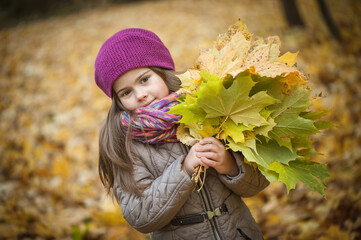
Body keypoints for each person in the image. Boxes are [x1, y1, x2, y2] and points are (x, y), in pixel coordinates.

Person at [94, 28, 269, 240]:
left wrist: (229, 165)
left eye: (144, 79)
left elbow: (258, 183)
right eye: (126, 92)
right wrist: (184, 169)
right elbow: (139, 216)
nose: (141, 95)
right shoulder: (126, 144)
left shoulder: (209, 109)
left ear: (163, 72)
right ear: (118, 101)